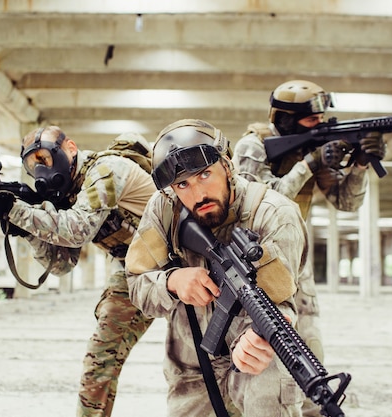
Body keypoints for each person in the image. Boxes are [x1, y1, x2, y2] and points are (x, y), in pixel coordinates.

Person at [124, 119, 309, 417]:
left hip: (255, 364)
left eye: (205, 175)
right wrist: (172, 282)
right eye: (183, 184)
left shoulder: (275, 214)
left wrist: (257, 339)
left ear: (227, 165)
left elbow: (281, 303)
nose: (198, 195)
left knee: (272, 368)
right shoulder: (163, 209)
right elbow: (136, 284)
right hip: (191, 366)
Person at [232, 80, 386, 416]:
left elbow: (345, 202)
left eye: (321, 118)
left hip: (298, 263)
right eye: (310, 119)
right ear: (286, 119)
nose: (319, 124)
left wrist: (359, 166)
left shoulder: (312, 148)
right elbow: (254, 204)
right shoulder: (253, 146)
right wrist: (309, 165)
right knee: (264, 354)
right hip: (256, 260)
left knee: (311, 349)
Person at [0, 126, 158, 417]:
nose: (41, 170)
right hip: (135, 268)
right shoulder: (67, 194)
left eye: (44, 159)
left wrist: (18, 211)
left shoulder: (106, 170)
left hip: (185, 260)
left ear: (69, 147)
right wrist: (29, 232)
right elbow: (62, 264)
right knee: (100, 358)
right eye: (33, 166)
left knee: (200, 359)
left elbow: (77, 231)